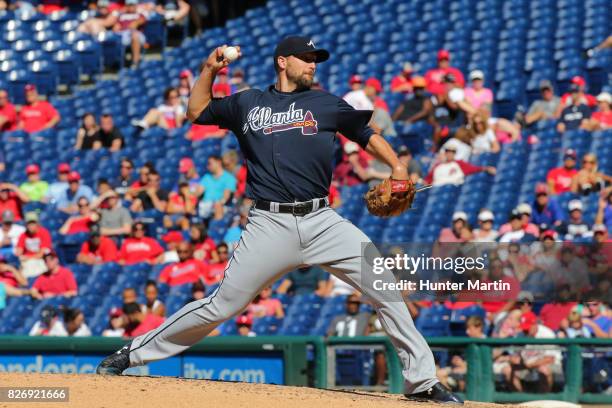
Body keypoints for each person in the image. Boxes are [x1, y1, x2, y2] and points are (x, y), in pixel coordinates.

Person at [96, 36, 463, 404]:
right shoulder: (247, 102)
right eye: (306, 58)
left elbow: (366, 134)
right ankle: (134, 353)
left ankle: (423, 383)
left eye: (315, 58)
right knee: (221, 305)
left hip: (322, 221)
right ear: (283, 62)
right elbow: (197, 111)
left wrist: (397, 166)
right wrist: (209, 69)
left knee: (384, 286)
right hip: (268, 225)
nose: (313, 64)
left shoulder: (325, 103)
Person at [423, 144, 496, 186]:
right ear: (445, 153)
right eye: (448, 151)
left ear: (455, 153)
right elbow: (427, 180)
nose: (450, 153)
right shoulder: (437, 166)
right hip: (437, 190)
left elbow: (474, 169)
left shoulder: (459, 163)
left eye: (452, 152)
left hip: (453, 189)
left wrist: (486, 168)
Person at [15, 212, 53, 278]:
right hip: (28, 262)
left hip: (41, 260)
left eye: (33, 223)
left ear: (37, 224)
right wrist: (20, 256)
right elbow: (18, 252)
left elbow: (42, 254)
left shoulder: (44, 233)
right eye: (28, 224)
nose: (30, 226)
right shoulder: (23, 235)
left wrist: (28, 257)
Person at [198, 155, 236, 220]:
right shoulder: (206, 177)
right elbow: (197, 192)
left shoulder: (229, 178)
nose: (208, 167)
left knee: (218, 207)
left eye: (210, 163)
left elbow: (226, 196)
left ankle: (216, 228)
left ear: (218, 162)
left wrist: (219, 203)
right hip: (205, 206)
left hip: (221, 206)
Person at [113, 0, 147, 67]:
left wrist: (135, 23)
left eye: (132, 5)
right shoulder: (122, 15)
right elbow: (116, 27)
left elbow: (141, 20)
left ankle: (135, 62)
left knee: (134, 35)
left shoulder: (140, 14)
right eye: (129, 5)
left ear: (136, 5)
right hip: (123, 34)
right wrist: (116, 27)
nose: (131, 6)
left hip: (137, 34)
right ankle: (115, 62)